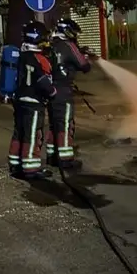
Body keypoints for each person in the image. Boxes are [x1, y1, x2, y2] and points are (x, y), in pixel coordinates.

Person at [8, 21, 57, 179]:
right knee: (33, 135)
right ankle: (31, 169)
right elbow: (43, 81)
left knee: (19, 133)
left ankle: (15, 165)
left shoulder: (21, 56)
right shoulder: (39, 59)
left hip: (19, 101)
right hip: (34, 103)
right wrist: (52, 92)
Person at [46, 17, 92, 170]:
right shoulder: (68, 45)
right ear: (67, 31)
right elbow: (84, 66)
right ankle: (66, 159)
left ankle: (52, 156)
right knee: (65, 124)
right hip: (63, 91)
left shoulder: (50, 45)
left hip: (49, 90)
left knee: (54, 124)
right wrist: (85, 57)